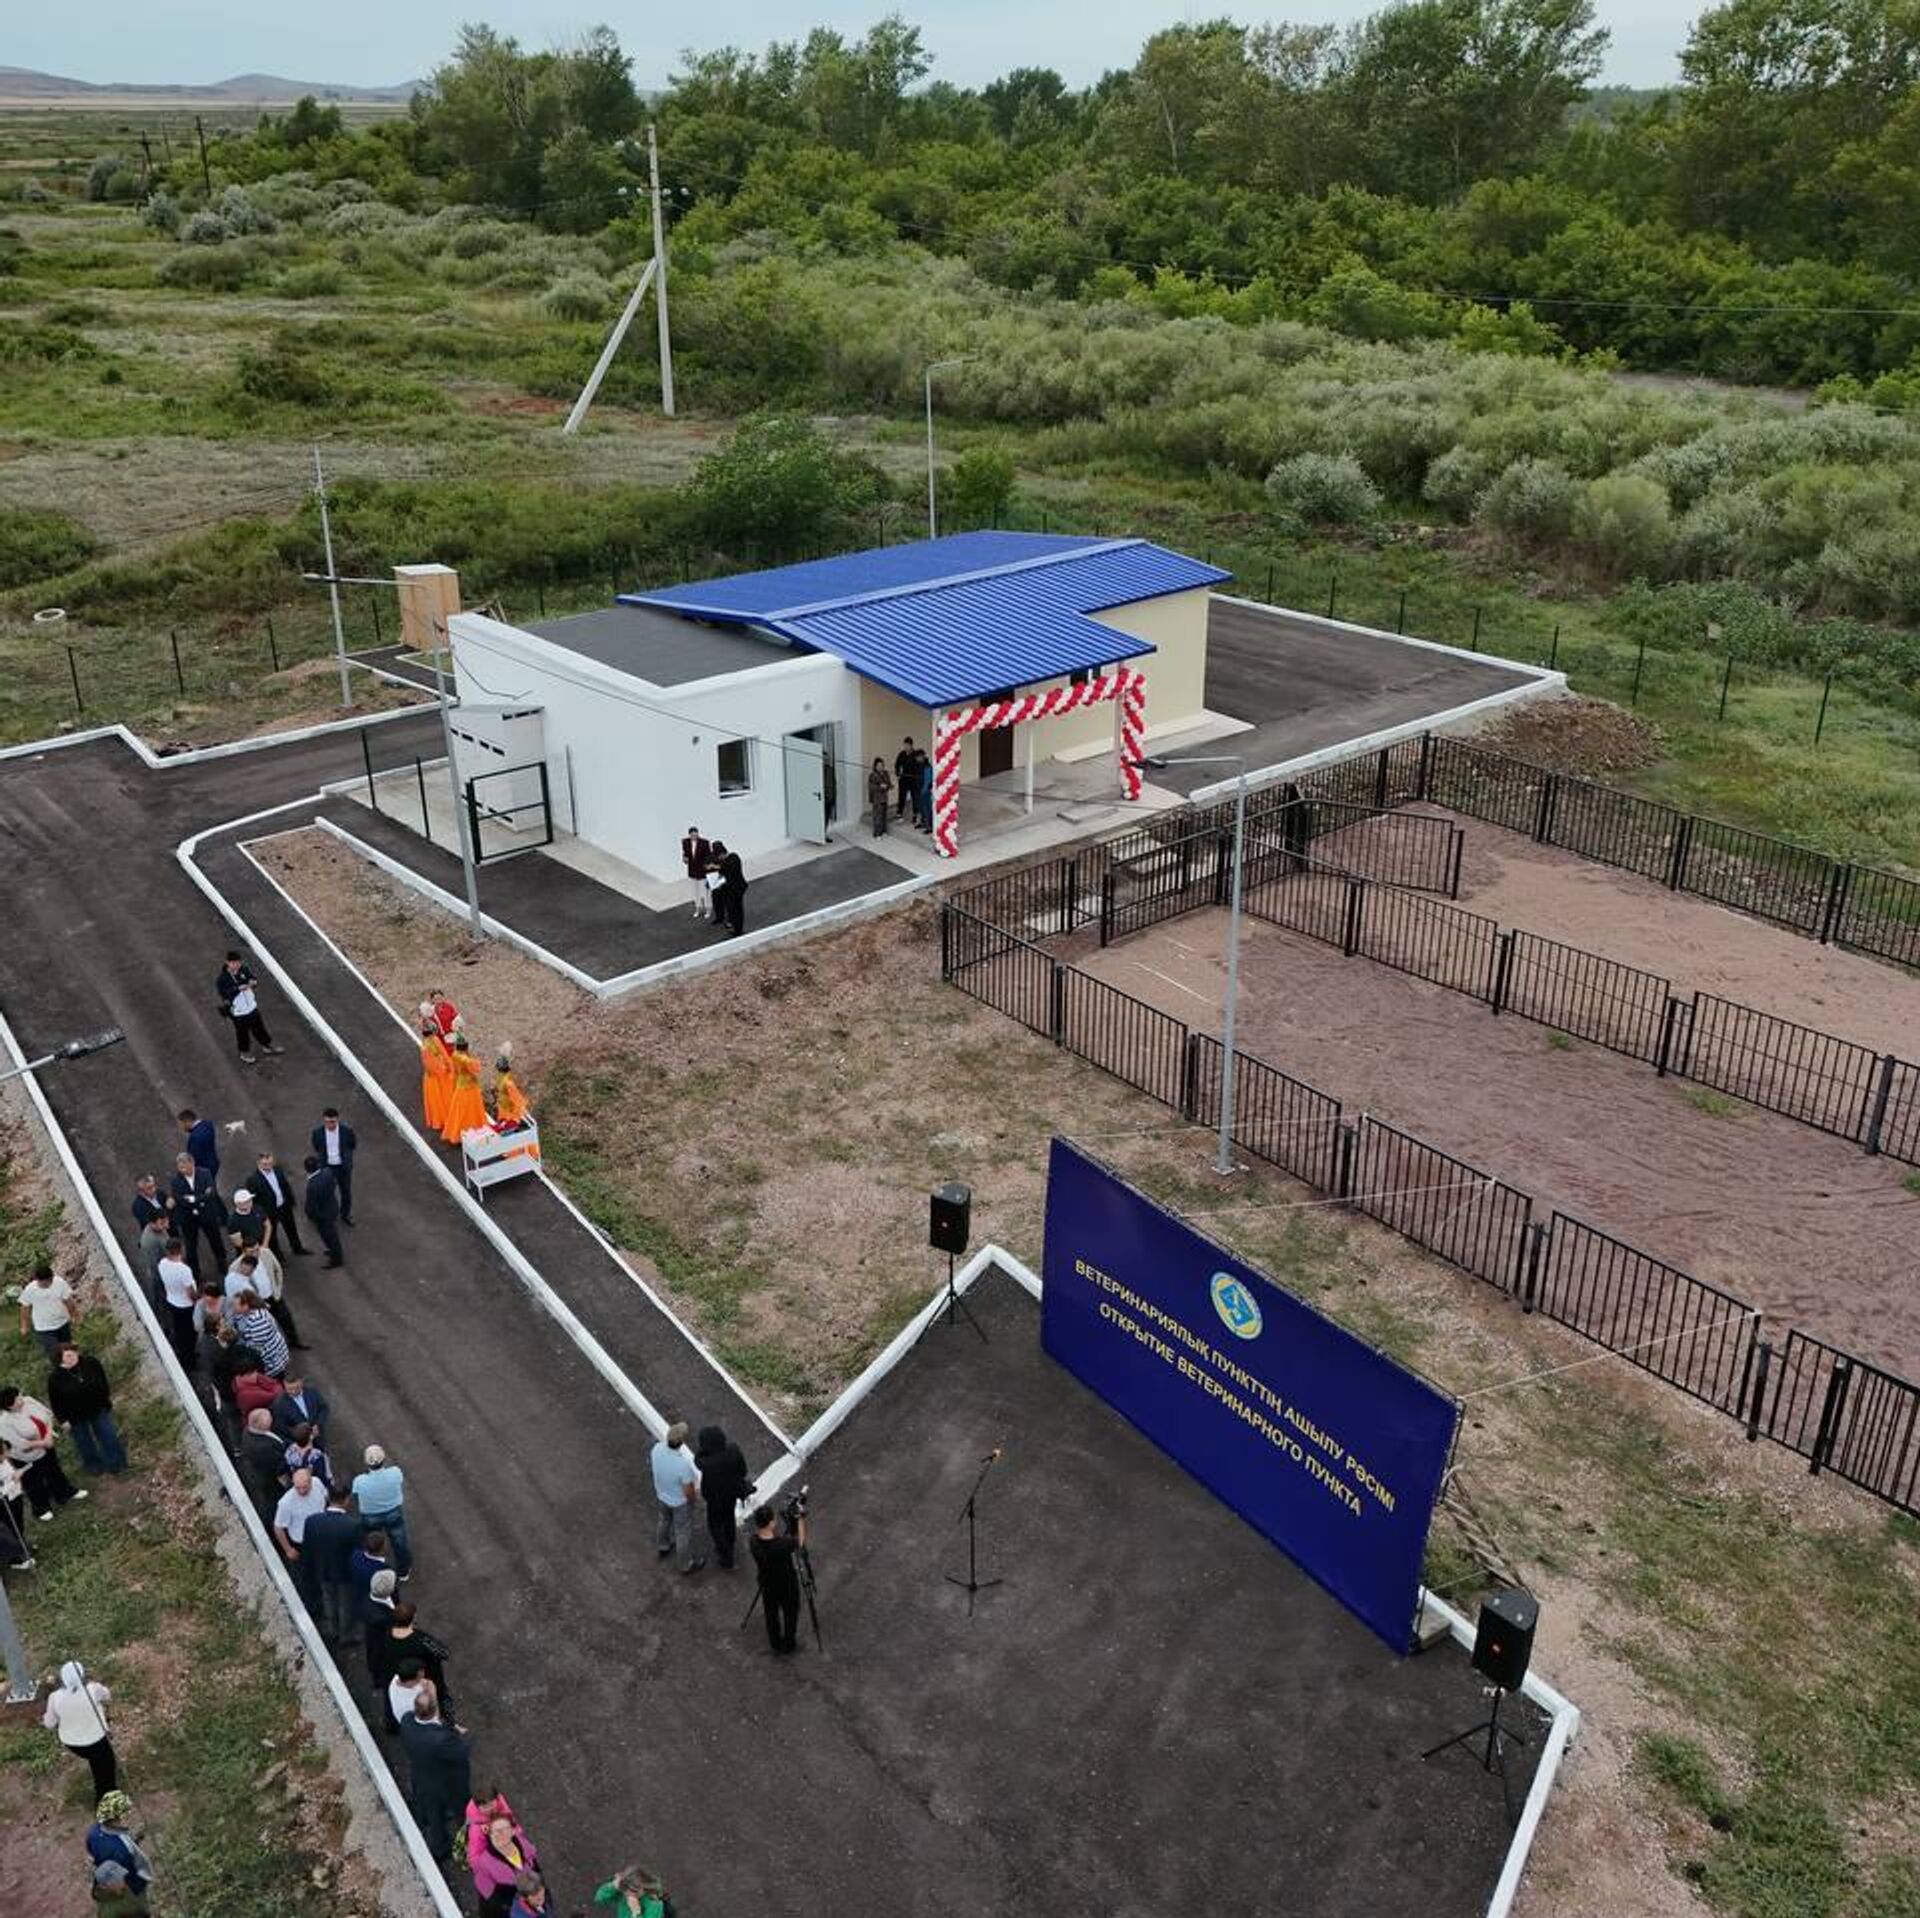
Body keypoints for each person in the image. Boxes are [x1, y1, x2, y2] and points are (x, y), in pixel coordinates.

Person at [400, 1685, 471, 1866]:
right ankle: (470, 1840)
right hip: (448, 1783)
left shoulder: (407, 1722)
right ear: (435, 1709)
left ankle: (440, 1849)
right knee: (463, 1810)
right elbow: (462, 1751)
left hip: (422, 1778)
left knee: (434, 1816)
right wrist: (458, 1734)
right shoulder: (441, 1739)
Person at [0, 1384, 86, 1517]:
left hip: (47, 1443)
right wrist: (44, 1443)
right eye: (18, 1397)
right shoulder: (4, 1422)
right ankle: (41, 1508)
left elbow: (47, 1415)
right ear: (10, 1406)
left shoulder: (28, 1401)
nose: (21, 1397)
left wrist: (48, 1436)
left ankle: (64, 1493)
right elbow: (19, 1444)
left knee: (54, 1470)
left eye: (19, 1394)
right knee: (33, 1482)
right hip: (26, 1455)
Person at [47, 1344, 125, 1475]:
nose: (73, 1356)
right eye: (68, 1355)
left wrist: (105, 1399)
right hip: (74, 1416)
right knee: (84, 1442)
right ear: (60, 1359)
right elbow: (55, 1401)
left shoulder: (90, 1363)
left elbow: (103, 1381)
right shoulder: (55, 1378)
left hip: (97, 1408)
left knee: (108, 1436)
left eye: (74, 1352)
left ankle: (117, 1463)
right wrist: (63, 1420)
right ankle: (94, 1465)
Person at [44, 1661, 116, 1798]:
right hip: (97, 1739)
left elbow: (49, 1724)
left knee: (95, 1760)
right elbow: (107, 1696)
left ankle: (105, 1793)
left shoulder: (54, 1698)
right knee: (106, 1766)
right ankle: (107, 1799)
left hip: (73, 1743)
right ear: (83, 1676)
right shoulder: (93, 1689)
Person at [300, 1483, 361, 1643]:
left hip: (322, 1569)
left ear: (327, 1498)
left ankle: (332, 1629)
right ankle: (346, 1635)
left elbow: (308, 1548)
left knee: (328, 1599)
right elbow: (358, 1552)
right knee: (346, 1604)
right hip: (345, 1573)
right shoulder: (353, 1525)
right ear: (346, 1499)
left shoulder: (312, 1521)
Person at [693, 1425, 752, 1571]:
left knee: (714, 1525)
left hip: (713, 1497)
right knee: (728, 1519)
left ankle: (725, 1553)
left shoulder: (705, 1462)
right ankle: (730, 1545)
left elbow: (697, 1458)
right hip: (731, 1494)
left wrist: (703, 1450)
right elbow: (743, 1472)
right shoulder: (734, 1450)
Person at [750, 1501, 804, 1656]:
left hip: (767, 1583)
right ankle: (788, 1644)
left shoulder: (753, 1541)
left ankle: (775, 1642)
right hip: (786, 1585)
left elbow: (777, 1539)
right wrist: (800, 1519)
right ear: (771, 1523)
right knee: (790, 1613)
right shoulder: (782, 1545)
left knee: (771, 1613)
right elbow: (799, 1541)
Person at [352, 1444, 413, 1580]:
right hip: (393, 1512)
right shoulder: (395, 1472)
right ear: (383, 1459)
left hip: (370, 1516)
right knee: (399, 1541)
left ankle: (375, 1568)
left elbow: (355, 1495)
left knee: (373, 1543)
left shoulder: (359, 1481)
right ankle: (403, 1570)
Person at [651, 1419, 704, 1574]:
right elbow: (688, 1491)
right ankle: (685, 1565)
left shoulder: (657, 1449)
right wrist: (693, 1501)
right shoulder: (682, 1465)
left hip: (662, 1495)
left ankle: (663, 1546)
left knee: (664, 1520)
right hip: (679, 1502)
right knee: (682, 1532)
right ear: (681, 1443)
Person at [86, 1792, 155, 1911]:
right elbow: (125, 1877)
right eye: (125, 1813)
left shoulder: (94, 1832)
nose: (129, 1814)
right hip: (133, 1886)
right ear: (116, 1818)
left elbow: (93, 1850)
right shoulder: (121, 1851)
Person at [469, 1806, 540, 1918]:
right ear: (490, 1834)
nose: (500, 1834)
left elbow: (536, 1868)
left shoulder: (523, 1844)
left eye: (504, 1829)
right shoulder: (484, 1864)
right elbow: (490, 1897)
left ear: (513, 1831)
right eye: (496, 1831)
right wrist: (514, 1907)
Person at [273, 1466, 329, 1609]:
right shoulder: (286, 1502)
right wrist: (288, 1549)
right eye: (298, 1488)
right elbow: (278, 1527)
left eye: (305, 1487)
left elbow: (325, 1497)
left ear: (310, 1482)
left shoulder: (317, 1483)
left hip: (322, 1537)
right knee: (307, 1576)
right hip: (303, 1544)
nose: (301, 1491)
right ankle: (315, 1606)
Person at [168, 1152, 227, 1279]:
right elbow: (179, 1199)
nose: (182, 1169)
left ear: (192, 1163)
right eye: (179, 1167)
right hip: (188, 1218)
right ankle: (195, 1273)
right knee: (191, 1247)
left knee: (216, 1240)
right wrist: (200, 1198)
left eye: (184, 1166)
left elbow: (211, 1194)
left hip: (207, 1215)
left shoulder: (205, 1173)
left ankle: (222, 1264)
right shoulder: (175, 1181)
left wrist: (193, 1199)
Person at [217, 950, 281, 1063]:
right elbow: (224, 993)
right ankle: (244, 1052)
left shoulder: (244, 969)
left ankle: (267, 1045)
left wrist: (253, 982)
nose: (236, 965)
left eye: (238, 962)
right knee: (242, 1033)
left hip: (251, 1006)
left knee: (259, 1028)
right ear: (227, 962)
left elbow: (253, 978)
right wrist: (238, 988)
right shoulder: (222, 979)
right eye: (233, 963)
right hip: (239, 1011)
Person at [245, 1151, 307, 1256]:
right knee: (272, 1235)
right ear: (258, 1163)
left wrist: (291, 1201)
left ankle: (297, 1248)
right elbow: (254, 1201)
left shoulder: (278, 1170)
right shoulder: (253, 1180)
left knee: (291, 1229)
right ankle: (277, 1255)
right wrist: (260, 1214)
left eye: (270, 1163)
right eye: (265, 1164)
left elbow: (285, 1186)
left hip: (284, 1206)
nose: (269, 1166)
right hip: (269, 1212)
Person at [155, 1239, 198, 1371]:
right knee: (189, 1333)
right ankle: (189, 1361)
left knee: (179, 1331)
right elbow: (190, 1292)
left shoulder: (162, 1264)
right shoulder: (184, 1270)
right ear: (181, 1250)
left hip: (172, 1301)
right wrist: (196, 1300)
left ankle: (183, 1355)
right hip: (186, 1305)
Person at [311, 1109, 358, 1226]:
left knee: (346, 1192)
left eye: (332, 1122)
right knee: (326, 1192)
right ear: (323, 1120)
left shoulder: (346, 1131)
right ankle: (327, 1214)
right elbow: (317, 1147)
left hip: (343, 1167)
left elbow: (353, 1144)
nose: (330, 1125)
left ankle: (345, 1214)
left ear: (337, 1119)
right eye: (327, 1122)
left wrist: (347, 1159)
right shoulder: (317, 1133)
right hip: (327, 1167)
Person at [19, 1262, 76, 1358]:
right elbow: (25, 1308)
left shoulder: (60, 1283)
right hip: (44, 1327)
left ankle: (72, 1366)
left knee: (68, 1350)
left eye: (49, 1281)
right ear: (37, 1280)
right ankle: (58, 1365)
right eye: (43, 1283)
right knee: (55, 1352)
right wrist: (24, 1326)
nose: (47, 1285)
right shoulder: (30, 1290)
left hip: (62, 1322)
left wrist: (74, 1315)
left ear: (52, 1277)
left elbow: (68, 1301)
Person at [238, 1409, 288, 1518]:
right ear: (259, 1424)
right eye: (268, 1417)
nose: (271, 1418)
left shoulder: (249, 1430)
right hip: (270, 1481)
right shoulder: (263, 1447)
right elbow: (279, 1463)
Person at [231, 1290, 289, 1380]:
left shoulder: (258, 1320)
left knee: (276, 1384)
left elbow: (256, 1347)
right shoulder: (245, 1313)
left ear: (246, 1306)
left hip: (272, 1362)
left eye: (235, 1305)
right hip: (271, 1357)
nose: (233, 1307)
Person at [441, 1037, 488, 1145]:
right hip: (470, 1087)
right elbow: (476, 1068)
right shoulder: (465, 1059)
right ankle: (472, 1130)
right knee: (472, 1109)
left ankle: (457, 1132)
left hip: (461, 1084)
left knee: (459, 1110)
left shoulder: (455, 1054)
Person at [301, 1155, 345, 1269]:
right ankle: (333, 1251)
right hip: (332, 1208)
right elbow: (333, 1185)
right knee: (332, 1235)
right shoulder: (327, 1172)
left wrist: (311, 1215)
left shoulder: (312, 1186)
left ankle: (336, 1260)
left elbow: (311, 1206)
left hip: (322, 1216)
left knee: (329, 1236)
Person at [349, 1529, 391, 1642]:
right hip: (374, 1604)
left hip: (357, 1596)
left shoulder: (355, 1555)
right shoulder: (383, 1570)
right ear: (381, 1549)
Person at [270, 1372, 331, 1447]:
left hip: (318, 1438)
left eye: (296, 1388)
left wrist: (318, 1424)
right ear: (284, 1385)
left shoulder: (312, 1392)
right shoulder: (279, 1405)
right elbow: (281, 1428)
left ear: (301, 1382)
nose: (293, 1392)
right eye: (289, 1389)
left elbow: (323, 1408)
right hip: (299, 1444)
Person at [0, 1446, 35, 1569]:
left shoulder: (4, 1461)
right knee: (8, 1530)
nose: (7, 1452)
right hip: (4, 1503)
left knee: (19, 1524)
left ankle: (22, 1546)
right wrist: (14, 1481)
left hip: (15, 1496)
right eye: (4, 1451)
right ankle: (14, 1559)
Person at [593, 1866, 677, 1918]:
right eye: (625, 1888)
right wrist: (613, 1885)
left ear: (644, 1888)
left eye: (634, 1891)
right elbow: (599, 1898)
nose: (629, 1894)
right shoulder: (624, 1894)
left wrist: (636, 1912)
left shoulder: (654, 1903)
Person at [418, 1021, 453, 1136]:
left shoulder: (425, 1046)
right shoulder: (432, 1043)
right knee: (445, 1096)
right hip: (438, 1075)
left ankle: (442, 1120)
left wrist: (445, 1067)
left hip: (436, 1076)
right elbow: (432, 1065)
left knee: (438, 1100)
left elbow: (429, 1065)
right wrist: (447, 1067)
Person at [712, 841, 747, 937]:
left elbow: (729, 871)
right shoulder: (728, 860)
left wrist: (718, 868)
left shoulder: (733, 858)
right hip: (730, 889)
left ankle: (738, 929)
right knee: (731, 909)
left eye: (719, 857)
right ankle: (734, 926)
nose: (719, 859)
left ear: (722, 854)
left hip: (736, 889)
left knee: (736, 909)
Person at [283, 1421, 332, 1488]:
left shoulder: (289, 1452)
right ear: (310, 1437)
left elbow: (286, 1471)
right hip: (313, 1487)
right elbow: (322, 1478)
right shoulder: (316, 1456)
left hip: (297, 1486)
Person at [177, 1107, 220, 1183]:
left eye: (182, 1124)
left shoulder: (194, 1137)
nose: (182, 1127)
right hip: (213, 1163)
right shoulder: (208, 1125)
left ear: (187, 1121)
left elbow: (194, 1158)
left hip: (203, 1170)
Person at [681, 825, 712, 921]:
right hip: (692, 871)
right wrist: (684, 859)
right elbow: (685, 854)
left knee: (705, 892)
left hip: (702, 872)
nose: (694, 836)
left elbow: (708, 856)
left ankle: (708, 909)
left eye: (696, 834)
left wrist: (706, 867)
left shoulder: (705, 843)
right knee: (695, 892)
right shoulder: (685, 842)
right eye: (692, 835)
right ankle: (698, 908)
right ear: (689, 835)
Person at [867, 757, 892, 836]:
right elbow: (871, 786)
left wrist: (888, 786)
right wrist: (880, 786)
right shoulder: (872, 775)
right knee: (877, 816)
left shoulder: (886, 773)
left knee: (884, 815)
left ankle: (884, 831)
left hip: (884, 798)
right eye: (878, 765)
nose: (880, 767)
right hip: (877, 799)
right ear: (875, 766)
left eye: (882, 765)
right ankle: (877, 833)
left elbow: (889, 783)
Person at [895, 735, 918, 819]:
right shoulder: (902, 754)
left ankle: (915, 813)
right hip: (904, 778)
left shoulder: (915, 754)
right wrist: (898, 774)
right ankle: (899, 812)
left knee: (914, 796)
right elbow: (897, 764)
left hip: (913, 779)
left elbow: (919, 766)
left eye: (907, 745)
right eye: (904, 745)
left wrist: (917, 775)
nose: (905, 747)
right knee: (901, 796)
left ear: (911, 745)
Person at [916, 747, 935, 833]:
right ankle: (923, 822)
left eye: (919, 757)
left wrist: (923, 790)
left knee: (927, 808)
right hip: (918, 789)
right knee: (921, 808)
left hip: (925, 791)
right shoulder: (918, 765)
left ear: (923, 756)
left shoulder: (927, 766)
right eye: (917, 757)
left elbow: (927, 780)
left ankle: (929, 826)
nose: (917, 759)